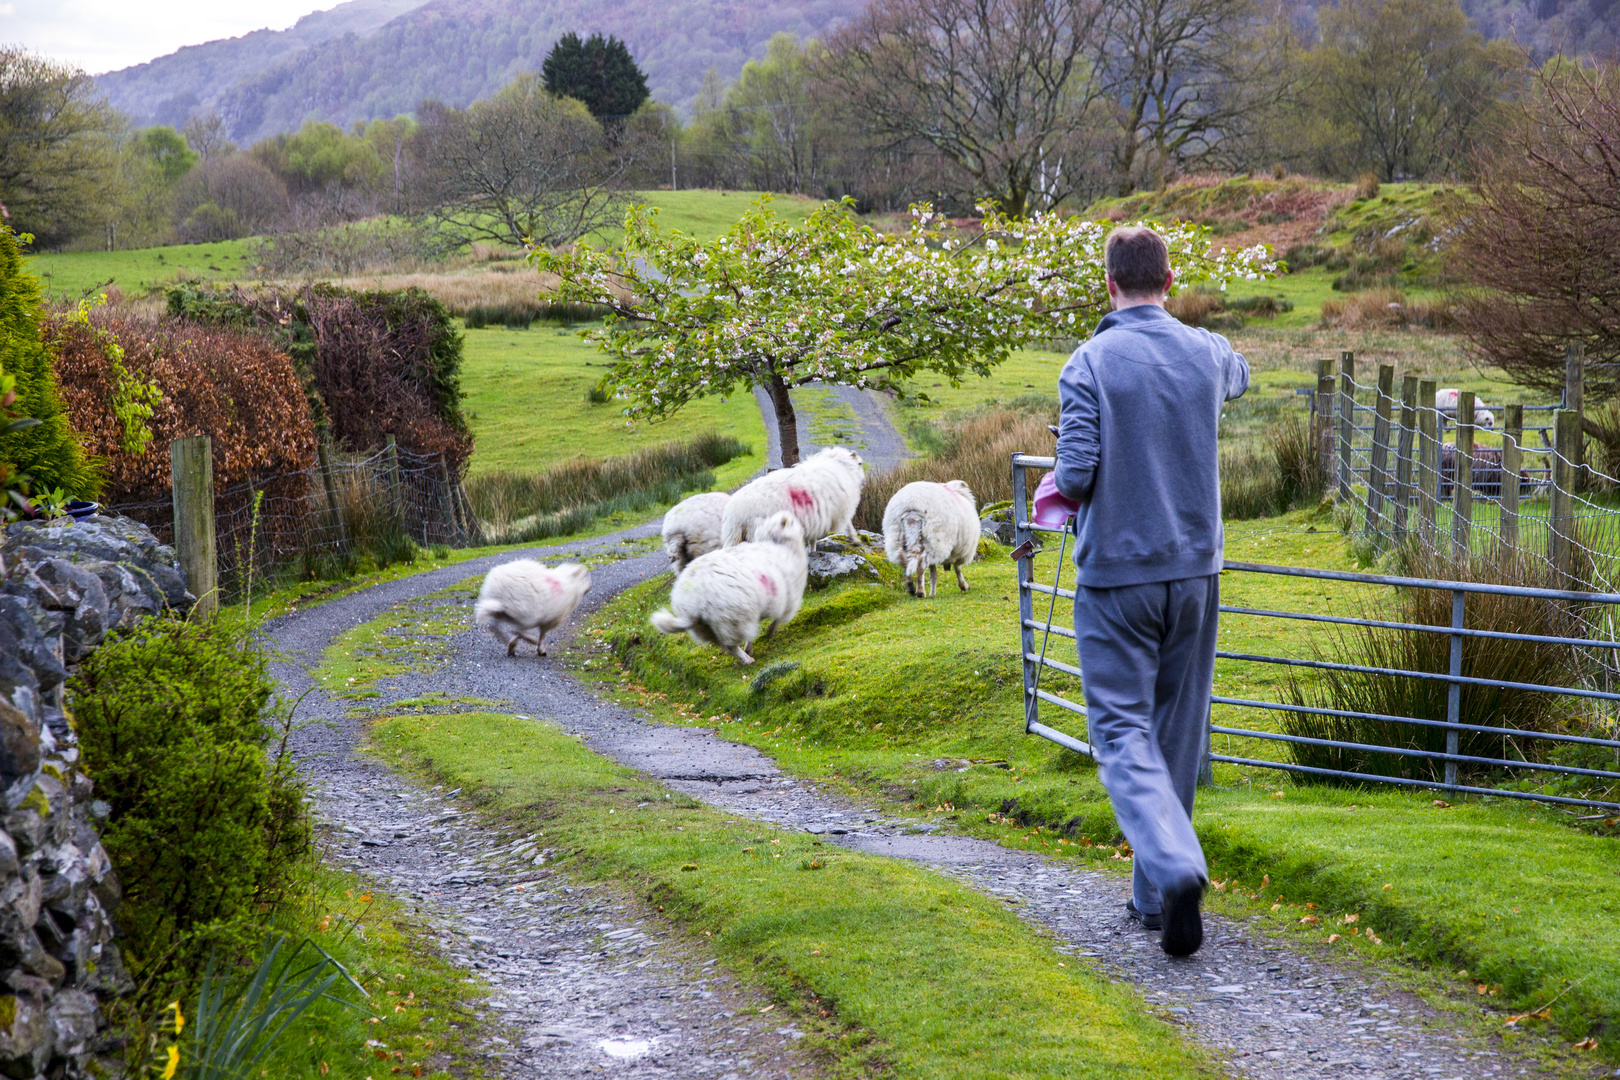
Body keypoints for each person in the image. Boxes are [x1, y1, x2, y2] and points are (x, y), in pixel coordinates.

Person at [1052, 226, 1249, 957]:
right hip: (1197, 574)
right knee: (1177, 730)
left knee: (1122, 734)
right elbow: (1240, 371)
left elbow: (1075, 474)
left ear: (1109, 285)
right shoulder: (1207, 352)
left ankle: (1173, 866)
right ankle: (1154, 899)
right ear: (1169, 280)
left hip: (1117, 580)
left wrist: (1056, 487)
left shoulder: (1088, 363)